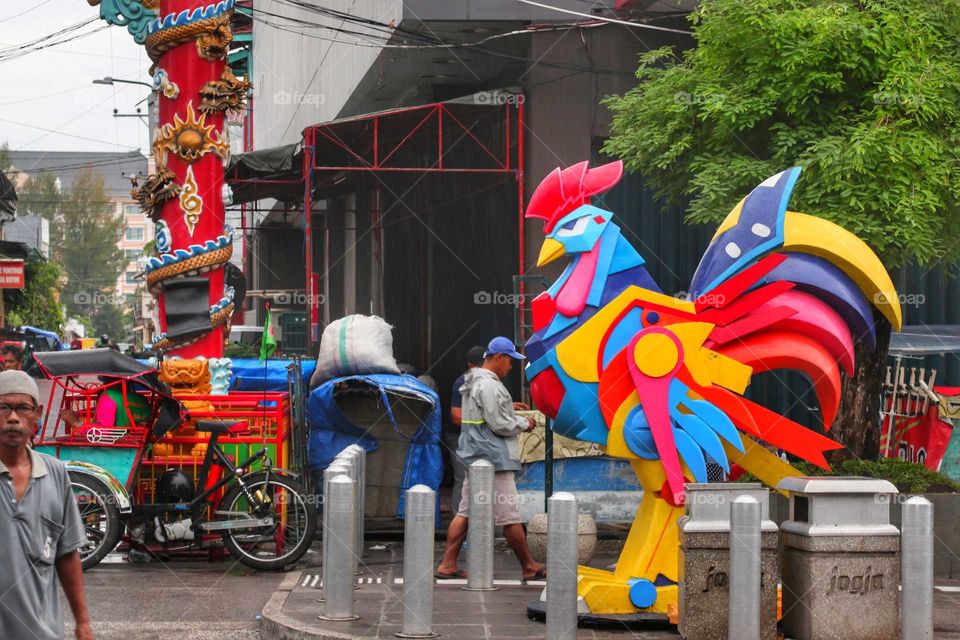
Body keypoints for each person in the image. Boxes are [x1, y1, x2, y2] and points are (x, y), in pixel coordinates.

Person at [435, 336, 545, 581]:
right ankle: (528, 565)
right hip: (494, 457)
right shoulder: (490, 385)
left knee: (465, 512)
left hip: (475, 456)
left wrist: (508, 409)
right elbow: (499, 423)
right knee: (510, 515)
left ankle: (447, 564)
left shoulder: (471, 380)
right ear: (499, 357)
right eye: (510, 361)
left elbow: (484, 415)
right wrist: (524, 423)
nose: (510, 367)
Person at [0, 370, 93, 640]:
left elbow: (67, 553)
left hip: (43, 632)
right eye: (4, 407)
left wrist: (82, 622)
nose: (13, 417)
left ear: (37, 413)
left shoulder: (54, 473)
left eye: (23, 408)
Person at [445, 345, 485, 513]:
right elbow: (456, 417)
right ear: (471, 367)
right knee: (462, 479)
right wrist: (488, 422)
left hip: (472, 437)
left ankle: (476, 521)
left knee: (478, 479)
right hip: (458, 438)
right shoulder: (464, 381)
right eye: (482, 365)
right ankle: (458, 519)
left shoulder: (484, 381)